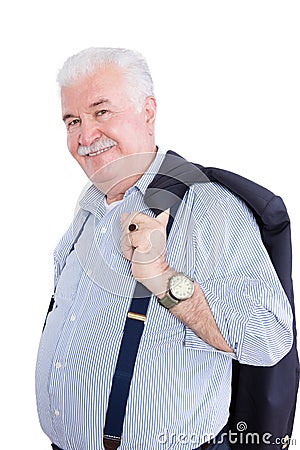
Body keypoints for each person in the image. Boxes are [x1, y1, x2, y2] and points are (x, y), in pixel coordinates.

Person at [35, 47, 293, 450]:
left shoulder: (208, 206)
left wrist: (163, 277)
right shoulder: (89, 209)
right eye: (73, 120)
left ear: (148, 112)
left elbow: (269, 336)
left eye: (101, 112)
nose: (84, 137)